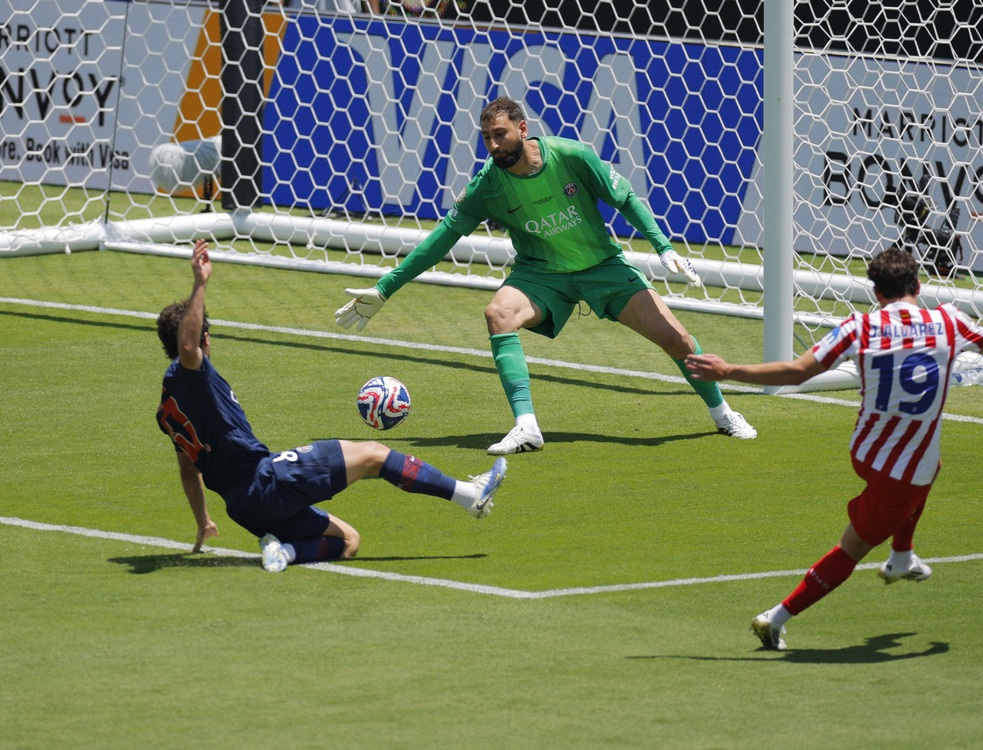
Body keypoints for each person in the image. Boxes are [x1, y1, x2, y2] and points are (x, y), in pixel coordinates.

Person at [335, 96, 756, 455]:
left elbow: (625, 197)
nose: (493, 145)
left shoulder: (570, 156)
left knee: (677, 340)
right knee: (498, 313)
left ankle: (722, 414)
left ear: (522, 128)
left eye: (500, 134)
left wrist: (662, 247)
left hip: (601, 267)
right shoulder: (488, 185)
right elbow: (441, 240)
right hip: (541, 274)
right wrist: (386, 287)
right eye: (486, 138)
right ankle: (527, 427)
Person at [686, 248, 983, 650]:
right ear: (918, 286)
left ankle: (901, 555)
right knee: (853, 547)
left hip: (865, 450)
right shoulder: (949, 320)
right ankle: (776, 617)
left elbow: (796, 371)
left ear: (876, 293)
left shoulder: (859, 327)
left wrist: (728, 370)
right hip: (902, 472)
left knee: (933, 462)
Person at [158, 239, 506, 573]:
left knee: (349, 541)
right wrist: (200, 285)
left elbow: (189, 469)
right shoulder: (194, 372)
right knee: (374, 454)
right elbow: (188, 348)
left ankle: (284, 551)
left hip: (245, 509)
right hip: (268, 480)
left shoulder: (167, 407)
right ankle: (469, 496)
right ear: (204, 338)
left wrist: (203, 520)